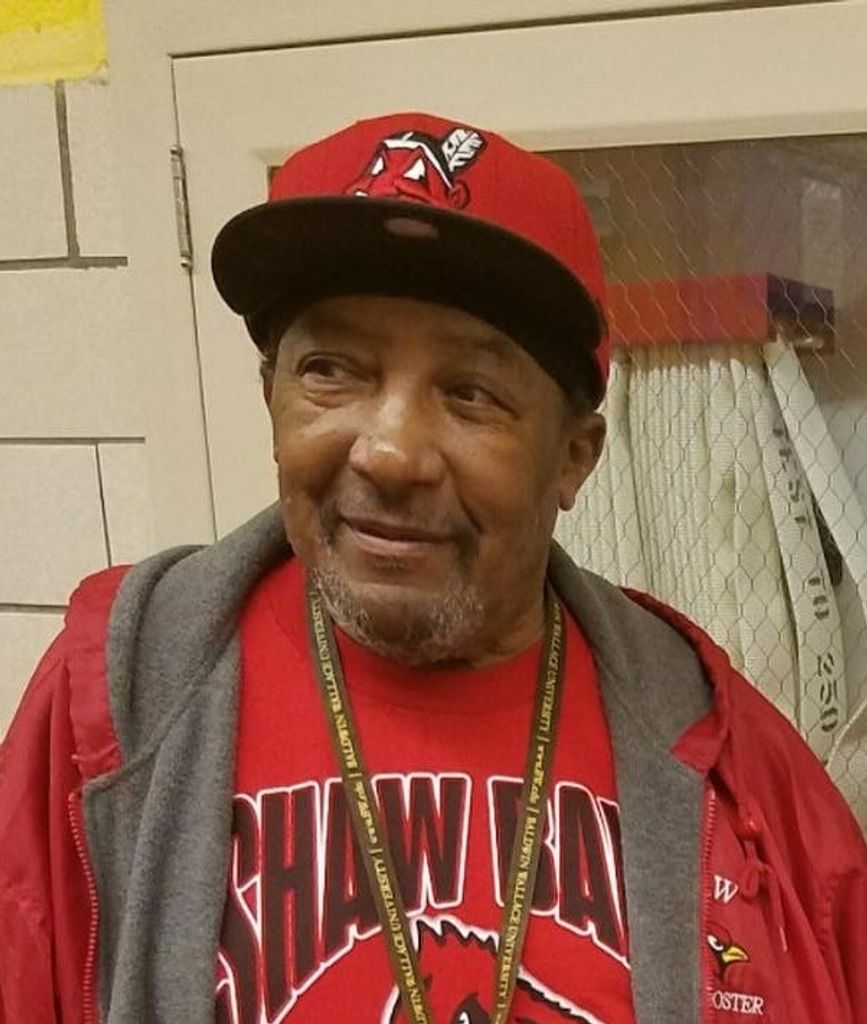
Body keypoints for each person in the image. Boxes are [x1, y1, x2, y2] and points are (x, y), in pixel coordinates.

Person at [0, 112, 864, 1024]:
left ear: (573, 456)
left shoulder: (726, 760)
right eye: (331, 370)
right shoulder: (116, 706)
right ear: (270, 398)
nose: (388, 452)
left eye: (470, 392)